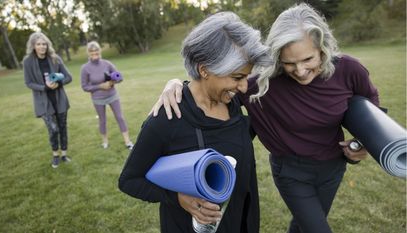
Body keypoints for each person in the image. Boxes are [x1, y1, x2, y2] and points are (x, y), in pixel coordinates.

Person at [151, 3, 380, 233]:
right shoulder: (259, 84)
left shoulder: (349, 70)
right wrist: (178, 84)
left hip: (333, 167)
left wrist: (363, 143)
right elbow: (212, 88)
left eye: (308, 59)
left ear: (323, 48)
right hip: (291, 172)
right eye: (289, 63)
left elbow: (371, 108)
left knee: (305, 225)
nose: (300, 71)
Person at [118, 11, 271, 233]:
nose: (245, 87)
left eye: (246, 77)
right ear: (204, 69)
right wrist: (177, 197)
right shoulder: (167, 119)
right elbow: (130, 180)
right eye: (237, 77)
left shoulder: (236, 103)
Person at [23, 32, 73, 168]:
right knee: (53, 129)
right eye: (38, 44)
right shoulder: (28, 62)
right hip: (43, 102)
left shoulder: (55, 58)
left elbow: (68, 77)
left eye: (44, 44)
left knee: (62, 127)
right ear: (33, 46)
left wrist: (59, 84)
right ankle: (55, 155)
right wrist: (44, 87)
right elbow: (28, 83)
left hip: (59, 100)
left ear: (47, 45)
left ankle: (64, 154)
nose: (42, 47)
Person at [80, 41, 134, 150]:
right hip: (98, 99)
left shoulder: (107, 64)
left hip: (112, 95)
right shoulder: (85, 68)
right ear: (88, 53)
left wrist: (113, 82)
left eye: (96, 50)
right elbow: (85, 87)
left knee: (120, 117)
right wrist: (100, 86)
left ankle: (128, 141)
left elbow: (120, 77)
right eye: (92, 51)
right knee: (102, 120)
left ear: (99, 51)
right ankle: (105, 142)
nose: (94, 53)